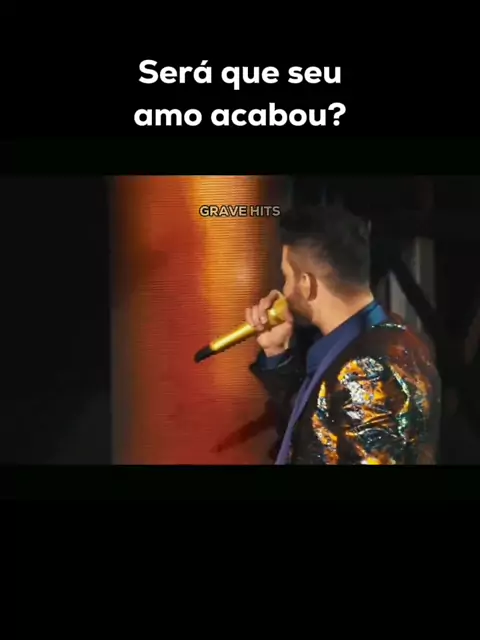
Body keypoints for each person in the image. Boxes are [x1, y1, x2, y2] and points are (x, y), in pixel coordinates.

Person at [247, 204, 440, 464]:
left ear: (306, 284)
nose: (284, 291)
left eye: (287, 278)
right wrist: (276, 352)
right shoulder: (397, 337)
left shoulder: (365, 370)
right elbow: (317, 428)